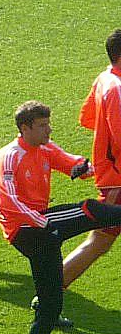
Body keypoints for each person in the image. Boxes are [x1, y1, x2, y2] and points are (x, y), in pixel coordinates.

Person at [0, 101, 121, 334]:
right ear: (25, 128)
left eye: (48, 124)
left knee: (50, 307)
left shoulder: (44, 149)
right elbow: (5, 199)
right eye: (42, 125)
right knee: (91, 210)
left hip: (42, 233)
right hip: (27, 229)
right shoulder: (10, 157)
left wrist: (92, 165)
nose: (49, 129)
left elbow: (73, 165)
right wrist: (38, 220)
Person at [58, 30, 121, 297]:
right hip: (118, 180)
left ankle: (49, 291)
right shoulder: (117, 89)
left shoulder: (105, 79)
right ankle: (49, 293)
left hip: (112, 177)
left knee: (99, 241)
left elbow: (87, 118)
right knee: (99, 241)